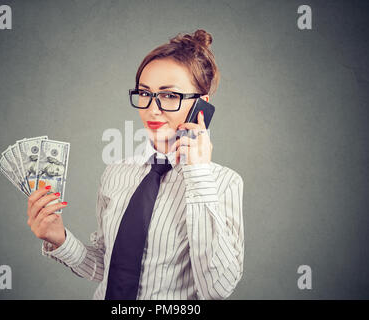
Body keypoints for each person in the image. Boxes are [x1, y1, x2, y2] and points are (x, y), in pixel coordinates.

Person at [26, 29, 244, 300]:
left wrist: (198, 175)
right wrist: (58, 238)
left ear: (201, 106)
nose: (152, 109)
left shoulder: (224, 184)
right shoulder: (116, 174)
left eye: (169, 95)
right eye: (144, 93)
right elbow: (107, 268)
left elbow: (217, 289)